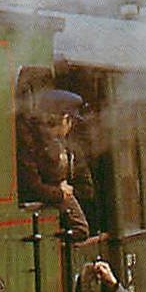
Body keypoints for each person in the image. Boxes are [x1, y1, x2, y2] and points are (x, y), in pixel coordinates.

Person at [17, 88, 91, 241]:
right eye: (71, 122)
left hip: (56, 207)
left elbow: (86, 190)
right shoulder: (34, 144)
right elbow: (32, 186)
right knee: (81, 230)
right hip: (47, 206)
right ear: (65, 119)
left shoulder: (66, 148)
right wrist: (60, 193)